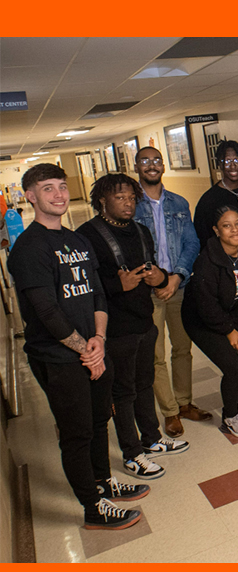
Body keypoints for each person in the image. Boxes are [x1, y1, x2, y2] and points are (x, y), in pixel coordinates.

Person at [9, 164, 146, 530]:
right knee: (77, 432)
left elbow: (98, 293)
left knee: (100, 422)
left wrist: (99, 340)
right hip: (58, 358)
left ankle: (103, 484)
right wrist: (86, 350)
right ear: (31, 196)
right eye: (48, 188)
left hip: (95, 349)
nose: (58, 194)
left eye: (61, 187)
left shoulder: (77, 240)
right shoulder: (29, 248)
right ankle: (92, 507)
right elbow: (46, 312)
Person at [77, 174, 189, 480]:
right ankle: (132, 454)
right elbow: (84, 286)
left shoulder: (140, 231)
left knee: (144, 383)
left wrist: (161, 278)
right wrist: (117, 284)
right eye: (120, 198)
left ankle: (151, 439)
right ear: (102, 200)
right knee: (122, 392)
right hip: (114, 328)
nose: (128, 204)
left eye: (131, 198)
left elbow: (153, 269)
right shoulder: (86, 235)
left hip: (144, 320)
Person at [133, 146, 208, 439]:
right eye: (145, 161)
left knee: (182, 348)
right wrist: (153, 279)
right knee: (155, 355)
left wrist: (176, 277)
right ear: (137, 166)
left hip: (177, 287)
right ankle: (170, 412)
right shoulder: (131, 205)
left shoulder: (179, 203)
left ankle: (185, 401)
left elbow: (192, 243)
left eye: (156, 160)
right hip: (145, 291)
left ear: (163, 165)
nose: (151, 165)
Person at [182, 206, 238, 438]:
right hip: (201, 319)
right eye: (227, 226)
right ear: (216, 230)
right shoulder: (206, 261)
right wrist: (229, 331)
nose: (235, 230)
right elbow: (206, 305)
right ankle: (230, 415)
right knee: (233, 366)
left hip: (234, 315)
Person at [193, 140, 238, 248]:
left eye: (236, 160)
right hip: (222, 259)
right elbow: (202, 236)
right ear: (219, 164)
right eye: (227, 161)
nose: (233, 166)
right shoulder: (209, 200)